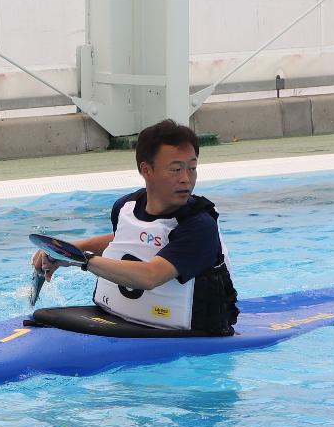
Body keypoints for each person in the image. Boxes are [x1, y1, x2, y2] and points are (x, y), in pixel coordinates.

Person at [32, 118, 239, 334]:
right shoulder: (125, 207)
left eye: (192, 168)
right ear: (146, 170)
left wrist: (80, 259)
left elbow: (150, 276)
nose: (186, 179)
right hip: (116, 317)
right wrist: (70, 247)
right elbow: (127, 241)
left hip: (191, 336)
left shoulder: (199, 225)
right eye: (176, 169)